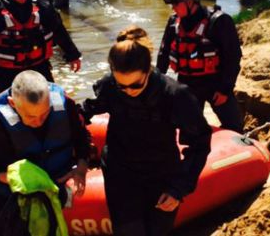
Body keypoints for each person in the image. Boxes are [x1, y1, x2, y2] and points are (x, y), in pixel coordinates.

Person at [82, 25, 212, 236]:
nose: (128, 92)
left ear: (148, 71)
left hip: (161, 175)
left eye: (134, 85)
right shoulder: (109, 86)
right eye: (121, 86)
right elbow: (85, 111)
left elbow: (199, 143)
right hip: (120, 173)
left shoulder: (175, 95)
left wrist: (178, 189)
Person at [0, 70, 90, 233]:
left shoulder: (64, 104)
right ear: (12, 104)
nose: (38, 122)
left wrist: (81, 168)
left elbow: (82, 137)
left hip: (53, 192)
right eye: (31, 117)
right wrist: (8, 178)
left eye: (45, 114)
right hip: (11, 204)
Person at [157, 0, 244, 133]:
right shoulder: (173, 22)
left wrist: (225, 89)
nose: (173, 7)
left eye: (176, 3)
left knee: (234, 125)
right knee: (187, 129)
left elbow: (233, 58)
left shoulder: (218, 22)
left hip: (216, 83)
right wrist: (155, 82)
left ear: (191, 2)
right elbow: (163, 55)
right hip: (187, 84)